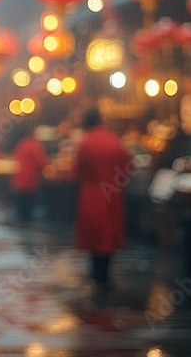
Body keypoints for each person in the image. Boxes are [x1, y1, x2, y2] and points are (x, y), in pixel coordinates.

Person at [71, 108, 133, 295]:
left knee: (93, 234)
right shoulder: (115, 140)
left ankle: (96, 274)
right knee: (109, 235)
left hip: (91, 193)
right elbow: (128, 165)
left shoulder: (86, 142)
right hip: (112, 193)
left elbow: (77, 170)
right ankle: (104, 275)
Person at [11, 125, 49, 222]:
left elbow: (15, 157)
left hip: (19, 178)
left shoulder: (21, 144)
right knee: (29, 205)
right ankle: (26, 222)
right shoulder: (35, 145)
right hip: (30, 179)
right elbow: (41, 162)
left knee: (21, 204)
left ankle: (20, 222)